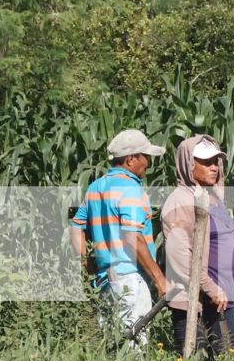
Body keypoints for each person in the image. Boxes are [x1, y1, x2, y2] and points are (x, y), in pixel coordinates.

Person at [70, 129, 168, 347]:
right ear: (132, 159)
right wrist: (160, 279)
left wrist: (85, 263)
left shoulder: (95, 187)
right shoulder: (131, 189)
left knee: (113, 347)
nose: (149, 163)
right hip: (130, 280)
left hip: (105, 281)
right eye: (146, 157)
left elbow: (76, 227)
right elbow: (132, 236)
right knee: (134, 349)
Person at [162, 135, 234, 355]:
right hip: (198, 302)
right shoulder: (181, 201)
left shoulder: (212, 197)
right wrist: (211, 289)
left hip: (220, 298)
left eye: (216, 161)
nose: (214, 167)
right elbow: (181, 259)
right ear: (189, 164)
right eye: (206, 162)